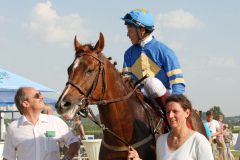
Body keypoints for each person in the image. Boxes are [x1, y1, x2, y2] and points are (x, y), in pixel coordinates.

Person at [121, 8, 185, 110]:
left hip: (162, 100)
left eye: (130, 31)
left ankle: (168, 119)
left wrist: (174, 107)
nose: (127, 34)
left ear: (142, 30)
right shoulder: (128, 53)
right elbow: (125, 82)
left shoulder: (164, 51)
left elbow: (178, 83)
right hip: (138, 99)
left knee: (152, 84)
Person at [2, 87, 80, 160]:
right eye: (37, 95)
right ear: (26, 104)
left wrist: (66, 158)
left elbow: (74, 142)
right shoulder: (13, 128)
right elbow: (8, 157)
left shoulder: (55, 122)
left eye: (40, 94)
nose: (42, 97)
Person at [128, 94, 214, 160]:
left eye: (175, 111)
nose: (170, 115)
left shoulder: (199, 141)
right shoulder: (161, 140)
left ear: (187, 113)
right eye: (168, 112)